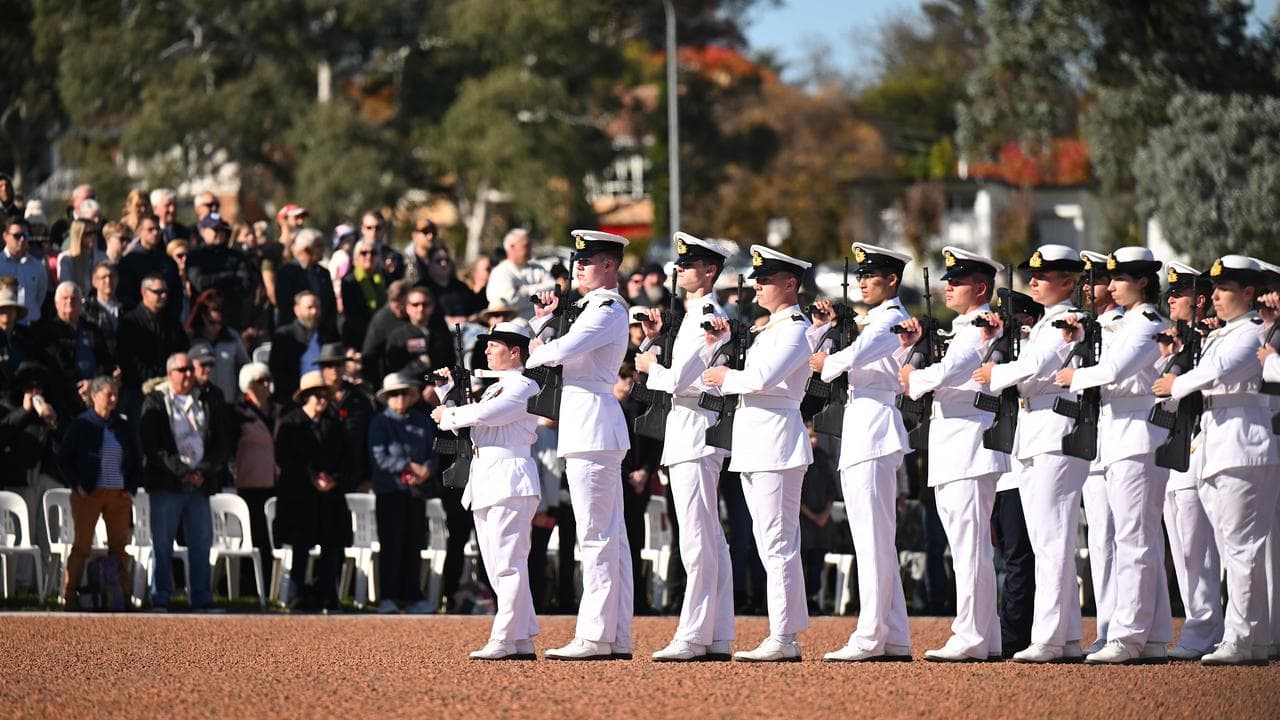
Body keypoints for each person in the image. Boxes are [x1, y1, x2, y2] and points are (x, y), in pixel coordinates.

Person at [1158, 255, 1279, 665]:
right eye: (1215, 289)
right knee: (1234, 550)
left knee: (1242, 549)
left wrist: (1176, 384)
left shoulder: (1252, 332)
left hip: (1244, 443)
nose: (1216, 297)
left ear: (1248, 292)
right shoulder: (1223, 334)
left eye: (1225, 290)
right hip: (1218, 444)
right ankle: (1254, 639)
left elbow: (1217, 371)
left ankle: (1242, 639)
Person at [970, 244, 1089, 663]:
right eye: (1032, 275)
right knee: (1047, 537)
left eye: (1043, 275)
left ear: (1068, 280)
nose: (1033, 281)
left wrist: (994, 374)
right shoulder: (1047, 322)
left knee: (1051, 538)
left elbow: (1033, 366)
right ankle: (1068, 636)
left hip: (1055, 431)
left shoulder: (1068, 321)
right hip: (1038, 430)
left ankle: (1050, 637)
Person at [1055, 246, 1171, 665]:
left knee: (1134, 540)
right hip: (1119, 432)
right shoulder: (1124, 323)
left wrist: (1074, 376)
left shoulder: (1148, 323)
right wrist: (1078, 340)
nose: (1112, 285)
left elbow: (1113, 371)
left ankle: (1129, 634)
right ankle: (1153, 634)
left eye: (1120, 278)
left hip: (1138, 433)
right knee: (1135, 538)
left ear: (1142, 281)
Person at [700, 244, 816, 662]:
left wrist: (728, 375)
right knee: (771, 541)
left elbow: (763, 378)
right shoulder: (772, 328)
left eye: (765, 279)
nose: (757, 285)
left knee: (777, 543)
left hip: (777, 443)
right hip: (758, 441)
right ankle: (785, 632)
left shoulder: (795, 328)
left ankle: (783, 637)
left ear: (790, 283)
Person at [897, 246, 1010, 662]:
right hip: (956, 446)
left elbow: (948, 372)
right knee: (969, 545)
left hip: (967, 446)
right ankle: (987, 635)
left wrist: (914, 376)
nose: (948, 287)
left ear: (980, 288)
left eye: (957, 281)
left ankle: (971, 634)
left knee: (969, 547)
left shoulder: (978, 327)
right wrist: (913, 356)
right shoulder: (966, 327)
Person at [527, 229, 633, 661]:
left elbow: (559, 352)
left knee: (596, 535)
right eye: (578, 261)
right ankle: (615, 635)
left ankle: (595, 634)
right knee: (611, 536)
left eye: (587, 262)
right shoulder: (589, 307)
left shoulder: (606, 309)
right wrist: (542, 329)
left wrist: (539, 345)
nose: (578, 268)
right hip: (588, 425)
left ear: (609, 266)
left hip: (592, 425)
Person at [808, 241, 914, 662]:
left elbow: (855, 356)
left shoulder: (891, 320)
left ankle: (871, 635)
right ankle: (895, 635)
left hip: (874, 430)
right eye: (861, 275)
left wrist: (828, 362)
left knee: (872, 541)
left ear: (891, 279)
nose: (862, 282)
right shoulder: (874, 321)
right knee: (875, 540)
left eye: (871, 275)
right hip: (863, 428)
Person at [633, 232, 735, 662]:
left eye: (687, 264)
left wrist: (650, 364)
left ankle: (693, 635)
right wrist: (653, 344)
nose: (678, 269)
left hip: (695, 428)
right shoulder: (695, 316)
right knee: (709, 536)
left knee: (697, 538)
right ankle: (716, 634)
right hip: (693, 428)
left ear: (709, 271)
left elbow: (679, 380)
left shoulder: (704, 315)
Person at [434, 321, 544, 659]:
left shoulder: (523, 386)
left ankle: (503, 637)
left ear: (515, 352)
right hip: (488, 477)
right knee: (498, 563)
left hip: (510, 477)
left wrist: (449, 413)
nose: (486, 351)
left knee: (508, 563)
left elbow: (488, 416)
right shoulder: (496, 387)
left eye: (494, 346)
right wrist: (447, 396)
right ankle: (521, 637)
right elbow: (474, 430)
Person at [1157, 261, 1223, 660]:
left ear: (1199, 300)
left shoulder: (1210, 338)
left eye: (1178, 294)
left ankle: (1207, 629)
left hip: (1201, 446)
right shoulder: (1182, 340)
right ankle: (1200, 628)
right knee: (1184, 547)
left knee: (1200, 547)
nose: (1171, 300)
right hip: (1176, 447)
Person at [139, 352, 231, 610]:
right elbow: (151, 446)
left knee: (201, 543)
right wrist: (181, 471)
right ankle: (161, 597)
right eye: (182, 370)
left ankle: (201, 597)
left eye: (191, 369)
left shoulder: (206, 400)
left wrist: (202, 470)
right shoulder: (155, 401)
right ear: (169, 374)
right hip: (167, 483)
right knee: (163, 543)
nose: (189, 374)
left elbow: (221, 442)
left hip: (200, 483)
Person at [56, 376, 140, 608]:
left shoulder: (122, 425)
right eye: (108, 394)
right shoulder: (82, 424)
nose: (113, 399)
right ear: (94, 396)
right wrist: (77, 485)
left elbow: (134, 459)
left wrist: (130, 489)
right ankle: (69, 595)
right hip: (89, 494)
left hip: (117, 495)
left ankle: (122, 598)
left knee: (119, 547)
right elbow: (63, 458)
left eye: (116, 394)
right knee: (82, 545)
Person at [274, 370, 351, 612]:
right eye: (315, 394)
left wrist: (333, 479)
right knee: (300, 546)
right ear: (305, 396)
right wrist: (311, 477)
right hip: (299, 496)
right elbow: (284, 458)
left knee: (331, 547)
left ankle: (329, 596)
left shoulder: (335, 423)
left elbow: (347, 458)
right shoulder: (290, 423)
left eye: (325, 394)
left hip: (330, 496)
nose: (321, 399)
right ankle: (296, 595)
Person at [1076, 249, 1121, 652]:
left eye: (1097, 281)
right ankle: (1107, 626)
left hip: (1120, 439)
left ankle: (1126, 628)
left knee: (1125, 538)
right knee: (1102, 540)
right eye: (1085, 281)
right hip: (1095, 440)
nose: (1088, 289)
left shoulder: (1119, 325)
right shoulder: (1089, 326)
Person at [368, 372, 436, 615]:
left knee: (414, 542)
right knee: (391, 544)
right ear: (387, 397)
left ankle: (413, 596)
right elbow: (379, 458)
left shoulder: (421, 420)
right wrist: (407, 466)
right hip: (390, 491)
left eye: (404, 392)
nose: (400, 397)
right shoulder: (380, 422)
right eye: (394, 394)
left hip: (416, 492)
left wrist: (426, 470)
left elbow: (433, 451)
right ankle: (388, 596)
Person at [232, 362, 278, 593]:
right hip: (250, 483)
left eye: (268, 379)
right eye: (261, 380)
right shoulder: (238, 413)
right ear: (249, 385)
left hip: (275, 483)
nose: (267, 384)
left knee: (274, 537)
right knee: (254, 536)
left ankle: (274, 586)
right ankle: (249, 587)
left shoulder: (277, 410)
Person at [117, 273, 189, 399]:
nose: (164, 296)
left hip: (171, 388)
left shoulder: (172, 322)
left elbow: (182, 349)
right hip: (139, 391)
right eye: (158, 292)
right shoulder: (130, 322)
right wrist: (153, 379)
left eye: (165, 291)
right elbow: (128, 360)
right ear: (144, 293)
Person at [187, 214, 259, 331]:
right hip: (202, 321)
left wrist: (215, 280)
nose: (219, 233)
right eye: (215, 229)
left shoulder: (236, 256)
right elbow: (200, 283)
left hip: (231, 317)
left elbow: (245, 285)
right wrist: (229, 276)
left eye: (222, 230)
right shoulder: (195, 256)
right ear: (203, 231)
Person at [268, 291, 336, 404]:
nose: (314, 312)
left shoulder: (327, 335)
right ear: (297, 310)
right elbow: (277, 372)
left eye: (317, 307)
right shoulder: (285, 336)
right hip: (294, 398)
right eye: (309, 308)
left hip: (325, 396)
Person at [116, 214, 183, 322]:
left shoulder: (168, 261)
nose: (155, 233)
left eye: (157, 229)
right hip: (139, 322)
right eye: (150, 229)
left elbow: (176, 292)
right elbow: (125, 295)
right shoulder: (129, 262)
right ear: (139, 231)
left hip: (167, 321)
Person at [274, 229, 339, 337]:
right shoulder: (286, 273)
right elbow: (285, 307)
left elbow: (331, 305)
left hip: (323, 336)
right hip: (295, 337)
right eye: (318, 246)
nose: (323, 249)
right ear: (306, 250)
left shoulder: (324, 274)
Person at [486, 229, 555, 318]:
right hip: (515, 326)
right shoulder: (501, 272)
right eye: (526, 245)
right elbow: (513, 301)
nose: (530, 249)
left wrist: (525, 290)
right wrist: (540, 291)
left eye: (530, 245)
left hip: (540, 324)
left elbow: (553, 288)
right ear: (511, 247)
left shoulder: (538, 268)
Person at [340, 238, 386, 351]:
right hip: (360, 338)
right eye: (363, 253)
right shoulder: (349, 281)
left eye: (373, 253)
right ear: (355, 258)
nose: (368, 256)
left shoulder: (384, 279)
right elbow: (352, 315)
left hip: (384, 335)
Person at [361, 280, 409, 385]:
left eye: (403, 304)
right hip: (390, 379)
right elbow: (369, 353)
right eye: (396, 303)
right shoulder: (381, 320)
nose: (400, 309)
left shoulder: (415, 313)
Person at [1, 217, 48, 324]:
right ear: (5, 236)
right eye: (17, 236)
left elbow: (40, 297)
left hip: (32, 327)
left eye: (25, 235)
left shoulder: (38, 266)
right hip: (4, 327)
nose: (22, 239)